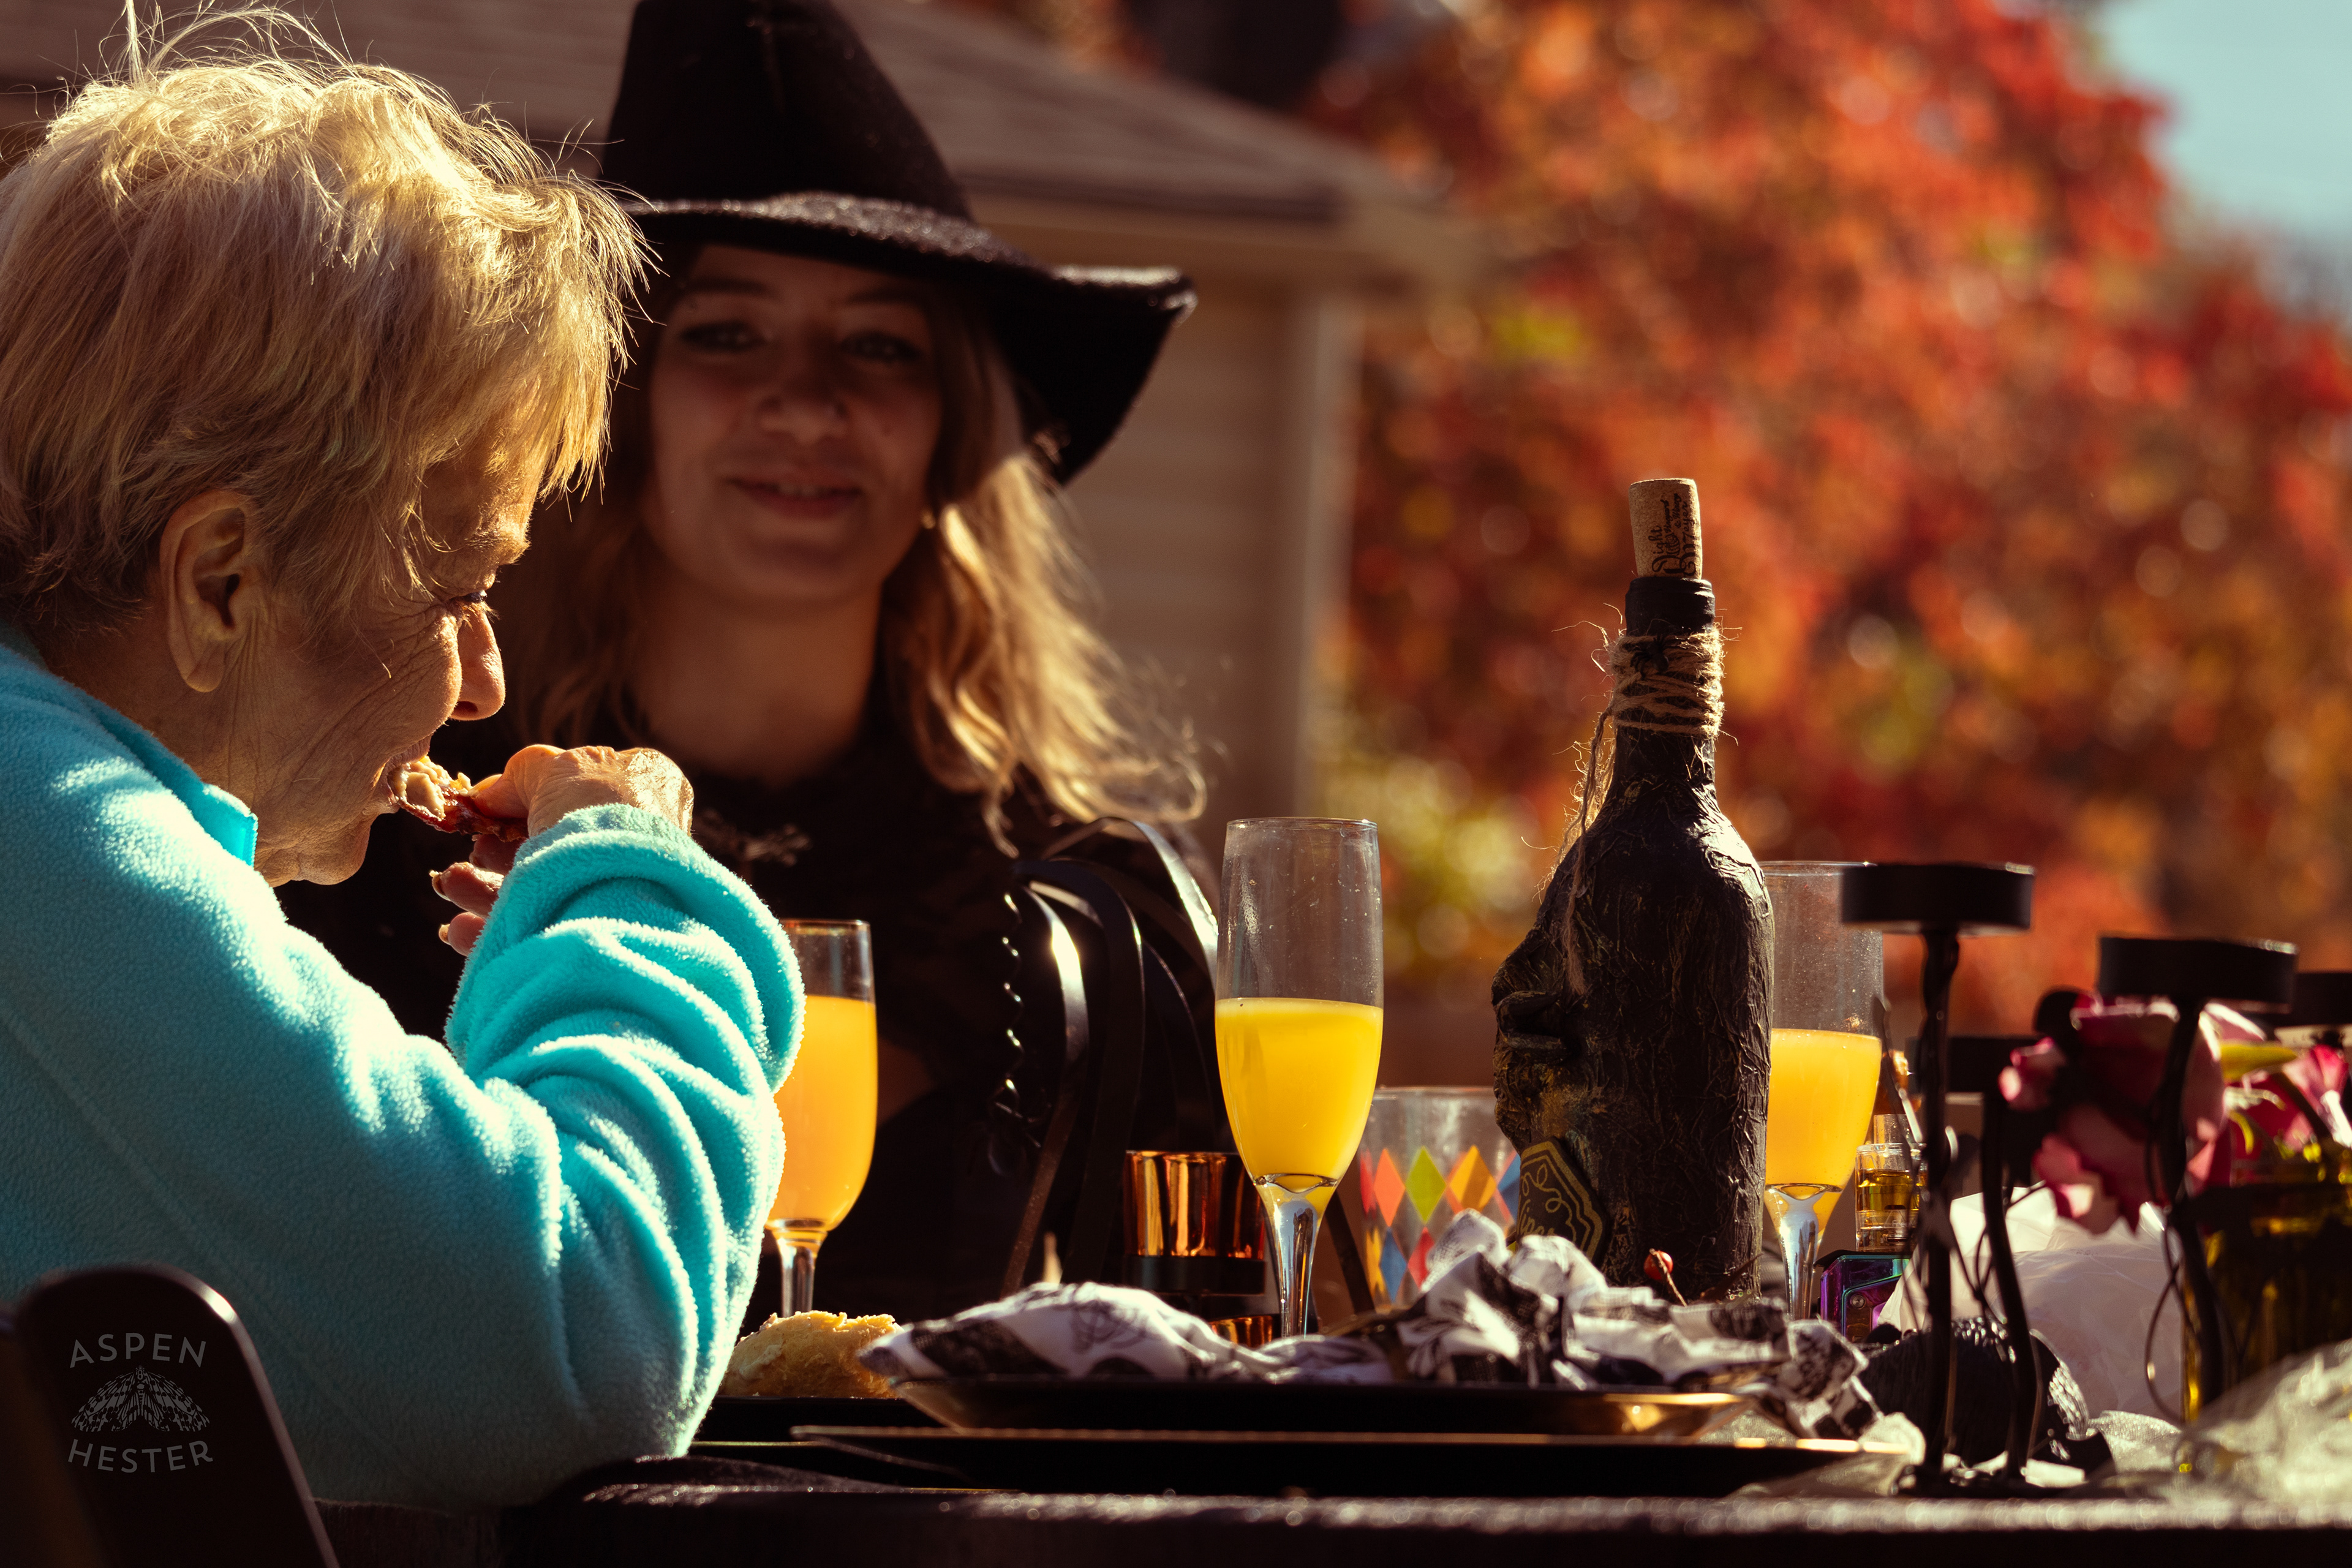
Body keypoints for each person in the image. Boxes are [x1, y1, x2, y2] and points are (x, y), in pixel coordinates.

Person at [283, 0, 1208, 1321]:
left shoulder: (1083, 904)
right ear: (616, 405)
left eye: (882, 346)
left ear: (952, 432)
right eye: (726, 332)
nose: (809, 402)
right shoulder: (389, 837)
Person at [0, 29, 803, 1509]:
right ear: (222, 579)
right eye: (456, 589)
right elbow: (580, 1342)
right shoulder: (49, 830)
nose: (488, 680)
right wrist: (629, 891)